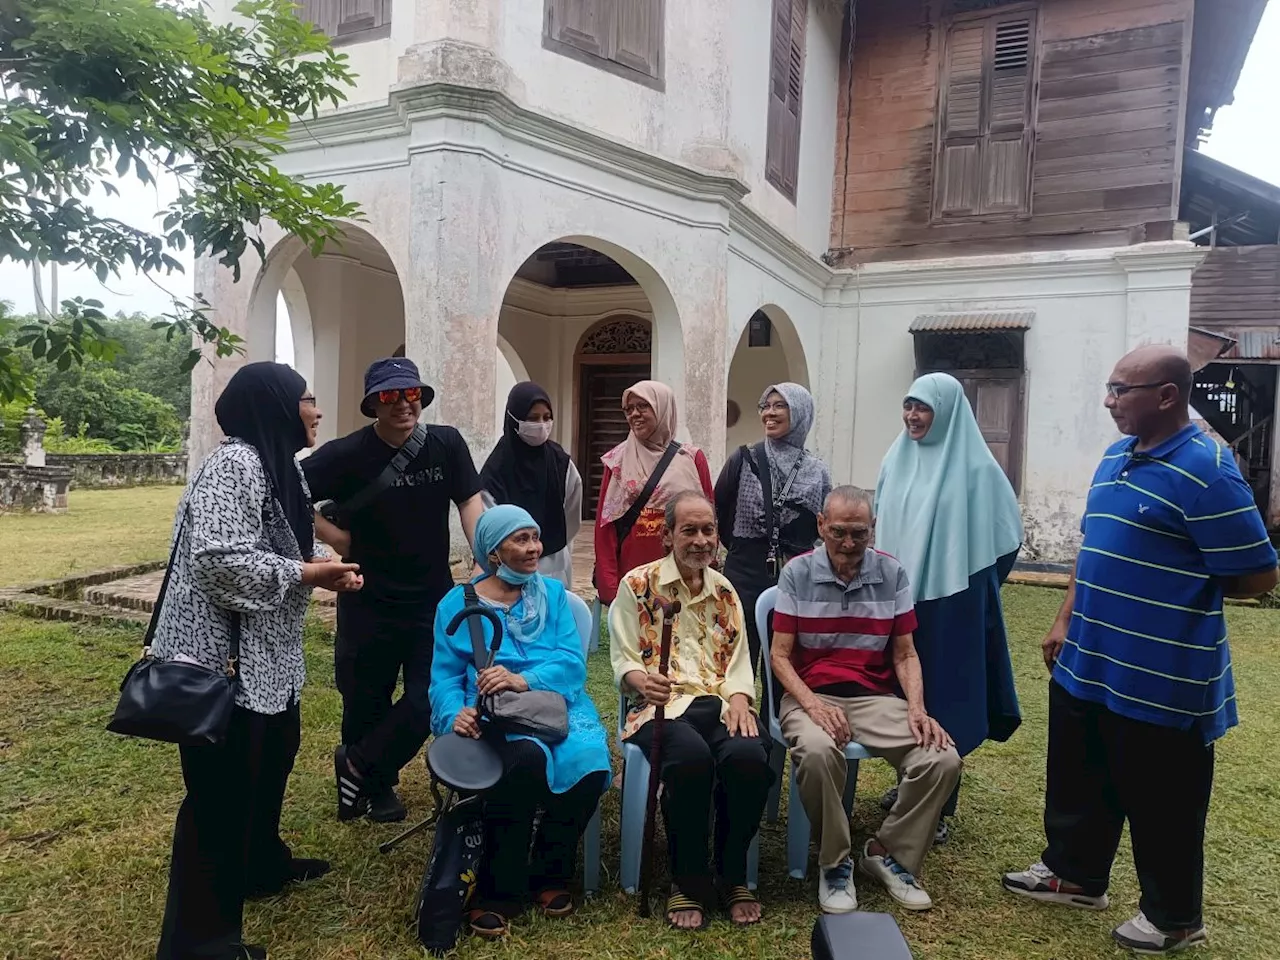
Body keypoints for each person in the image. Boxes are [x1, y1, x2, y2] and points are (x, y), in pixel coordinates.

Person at [1002, 346, 1278, 955]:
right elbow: (1093, 547)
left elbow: (1258, 575)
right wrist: (1063, 619)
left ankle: (1175, 916)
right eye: (1108, 387)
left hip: (1162, 673)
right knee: (1079, 775)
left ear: (1166, 395)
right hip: (1090, 658)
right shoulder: (1114, 456)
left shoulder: (1209, 470)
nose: (1108, 400)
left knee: (1165, 799)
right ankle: (1075, 874)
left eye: (1119, 389)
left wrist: (1174, 591)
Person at [152, 362, 365, 960]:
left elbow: (291, 540)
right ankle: (200, 943)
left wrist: (328, 563)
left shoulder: (279, 469)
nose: (317, 411)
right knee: (217, 800)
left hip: (266, 660)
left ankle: (260, 865)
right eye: (307, 400)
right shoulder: (235, 466)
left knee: (272, 759)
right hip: (221, 665)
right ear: (274, 406)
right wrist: (307, 573)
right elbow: (218, 561)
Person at [302, 357, 484, 823]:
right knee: (366, 695)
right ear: (372, 404)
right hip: (368, 595)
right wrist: (333, 537)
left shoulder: (445, 444)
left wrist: (486, 554)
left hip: (432, 598)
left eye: (412, 394)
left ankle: (360, 764)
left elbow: (468, 501)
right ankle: (377, 789)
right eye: (390, 396)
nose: (404, 404)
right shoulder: (347, 454)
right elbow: (286, 490)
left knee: (429, 696)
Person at [771, 486, 961, 915]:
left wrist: (917, 709)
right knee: (818, 753)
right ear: (821, 525)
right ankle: (835, 863)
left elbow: (905, 653)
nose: (849, 544)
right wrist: (813, 707)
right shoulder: (796, 573)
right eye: (838, 532)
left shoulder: (892, 573)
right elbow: (780, 657)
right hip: (811, 695)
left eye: (859, 533)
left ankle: (887, 853)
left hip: (874, 697)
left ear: (873, 529)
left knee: (942, 757)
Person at [429, 505, 610, 938]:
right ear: (494, 551)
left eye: (535, 537)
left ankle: (550, 871)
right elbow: (444, 677)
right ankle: (498, 888)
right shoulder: (457, 604)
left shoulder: (551, 595)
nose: (534, 548)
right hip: (493, 710)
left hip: (554, 701)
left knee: (590, 761)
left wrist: (522, 679)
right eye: (521, 540)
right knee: (525, 759)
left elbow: (571, 663)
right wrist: (456, 713)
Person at [610, 491, 774, 930]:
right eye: (689, 530)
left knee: (751, 757)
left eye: (708, 530)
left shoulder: (724, 590)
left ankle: (731, 871)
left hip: (718, 702)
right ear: (667, 536)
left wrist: (740, 697)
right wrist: (641, 680)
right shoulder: (637, 585)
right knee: (690, 759)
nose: (701, 540)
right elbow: (624, 657)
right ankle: (687, 880)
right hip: (659, 705)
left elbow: (739, 658)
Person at [873, 372, 1023, 840]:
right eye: (908, 406)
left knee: (947, 701)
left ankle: (937, 805)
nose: (913, 416)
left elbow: (1007, 538)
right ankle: (912, 783)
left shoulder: (977, 469)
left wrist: (970, 581)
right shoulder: (896, 458)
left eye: (923, 408)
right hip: (900, 599)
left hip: (954, 604)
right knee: (903, 697)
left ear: (947, 410)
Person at [715, 382, 831, 679]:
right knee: (736, 658)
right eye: (766, 406)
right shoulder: (743, 459)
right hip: (744, 571)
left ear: (801, 412)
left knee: (786, 661)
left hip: (796, 574)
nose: (770, 413)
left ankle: (778, 722)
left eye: (780, 405)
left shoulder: (817, 472)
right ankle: (738, 722)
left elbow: (823, 523)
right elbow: (721, 509)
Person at [593, 380, 714, 607]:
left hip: (684, 572)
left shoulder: (691, 458)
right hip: (633, 574)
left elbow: (708, 520)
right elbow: (605, 528)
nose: (634, 414)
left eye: (642, 406)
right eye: (628, 409)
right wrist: (610, 588)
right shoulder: (617, 462)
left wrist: (708, 569)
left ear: (662, 407)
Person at [479, 382, 583, 588]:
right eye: (533, 418)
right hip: (509, 568)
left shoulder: (560, 462)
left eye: (546, 417)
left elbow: (572, 512)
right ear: (514, 419)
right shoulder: (496, 470)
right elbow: (491, 521)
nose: (542, 425)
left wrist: (553, 540)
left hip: (555, 562)